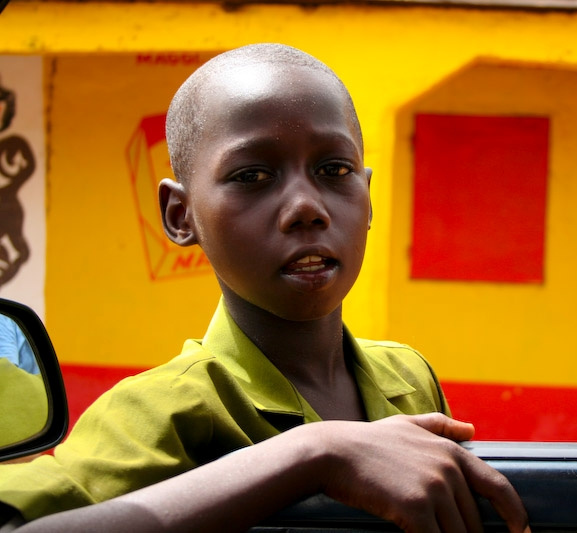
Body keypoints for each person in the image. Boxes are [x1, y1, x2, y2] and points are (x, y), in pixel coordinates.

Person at [0, 44, 530, 532]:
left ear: (367, 198)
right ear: (181, 215)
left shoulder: (408, 377)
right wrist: (315, 454)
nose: (306, 207)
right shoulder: (164, 411)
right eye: (252, 176)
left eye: (334, 169)